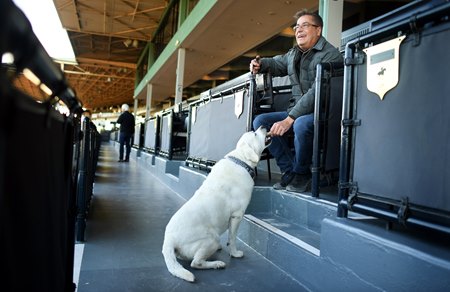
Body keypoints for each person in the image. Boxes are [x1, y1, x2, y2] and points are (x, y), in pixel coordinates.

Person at [250, 9, 343, 193]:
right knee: (260, 122)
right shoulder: (294, 53)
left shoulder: (331, 55)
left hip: (323, 112)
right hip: (298, 111)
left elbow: (317, 93)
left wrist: (289, 119)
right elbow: (278, 63)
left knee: (300, 123)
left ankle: (301, 174)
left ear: (318, 30)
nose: (299, 30)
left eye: (305, 25)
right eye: (296, 27)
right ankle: (290, 171)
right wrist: (260, 64)